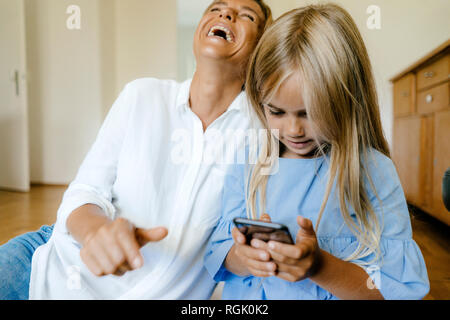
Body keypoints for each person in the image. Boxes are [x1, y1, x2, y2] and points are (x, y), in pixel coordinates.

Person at [0, 0, 272, 299]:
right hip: (45, 271)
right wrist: (95, 233)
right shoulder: (142, 95)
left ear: (261, 49)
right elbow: (86, 190)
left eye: (247, 15)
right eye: (215, 8)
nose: (226, 14)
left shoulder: (263, 129)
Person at [204, 4, 430, 300]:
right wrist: (243, 258)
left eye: (310, 113)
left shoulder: (373, 171)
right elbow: (220, 254)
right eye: (276, 111)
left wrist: (320, 267)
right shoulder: (249, 162)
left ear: (347, 99)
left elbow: (391, 291)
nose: (294, 130)